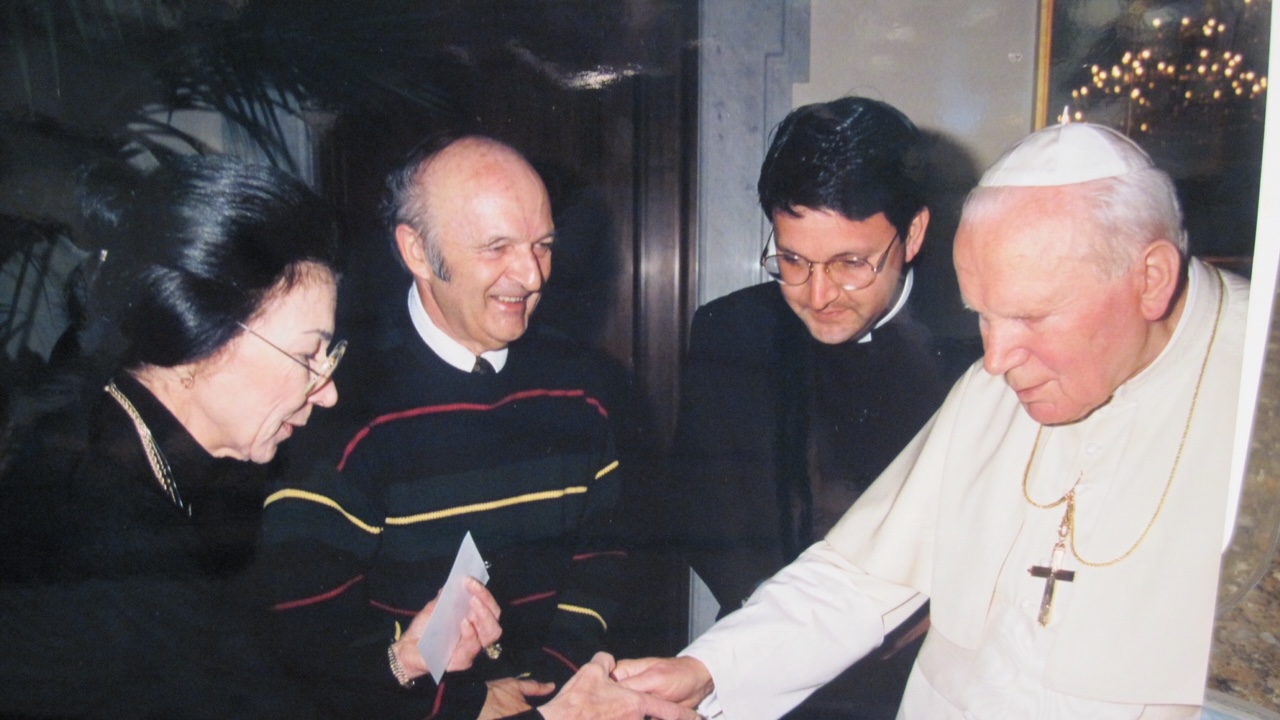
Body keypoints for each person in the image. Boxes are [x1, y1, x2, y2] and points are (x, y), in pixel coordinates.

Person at [616, 122, 1248, 719]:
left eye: (1029, 318)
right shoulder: (993, 386)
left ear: (1151, 278)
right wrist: (710, 669)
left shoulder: (1258, 388)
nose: (995, 361)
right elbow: (860, 576)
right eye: (983, 317)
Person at [0, 157, 503, 719]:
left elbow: (249, 685)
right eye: (307, 353)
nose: (328, 392)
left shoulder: (174, 463)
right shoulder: (96, 525)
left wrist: (405, 659)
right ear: (204, 334)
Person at [255, 133, 641, 719]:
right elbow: (307, 638)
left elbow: (603, 562)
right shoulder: (333, 408)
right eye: (497, 247)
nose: (531, 275)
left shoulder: (584, 388)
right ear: (417, 251)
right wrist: (465, 704)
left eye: (542, 245)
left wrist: (544, 691)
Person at [670, 96, 979, 718]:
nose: (818, 295)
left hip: (922, 682)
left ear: (913, 233)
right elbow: (703, 513)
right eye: (792, 260)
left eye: (850, 263)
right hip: (762, 675)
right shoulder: (731, 331)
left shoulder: (978, 348)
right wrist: (778, 640)